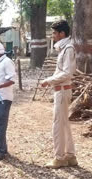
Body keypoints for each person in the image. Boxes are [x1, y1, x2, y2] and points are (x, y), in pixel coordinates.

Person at [41, 20, 77, 169]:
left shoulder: (68, 48)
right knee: (64, 124)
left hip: (62, 91)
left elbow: (67, 72)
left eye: (55, 33)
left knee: (58, 125)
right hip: (61, 90)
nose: (53, 35)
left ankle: (59, 158)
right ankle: (70, 155)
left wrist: (48, 80)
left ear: (62, 33)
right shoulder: (64, 48)